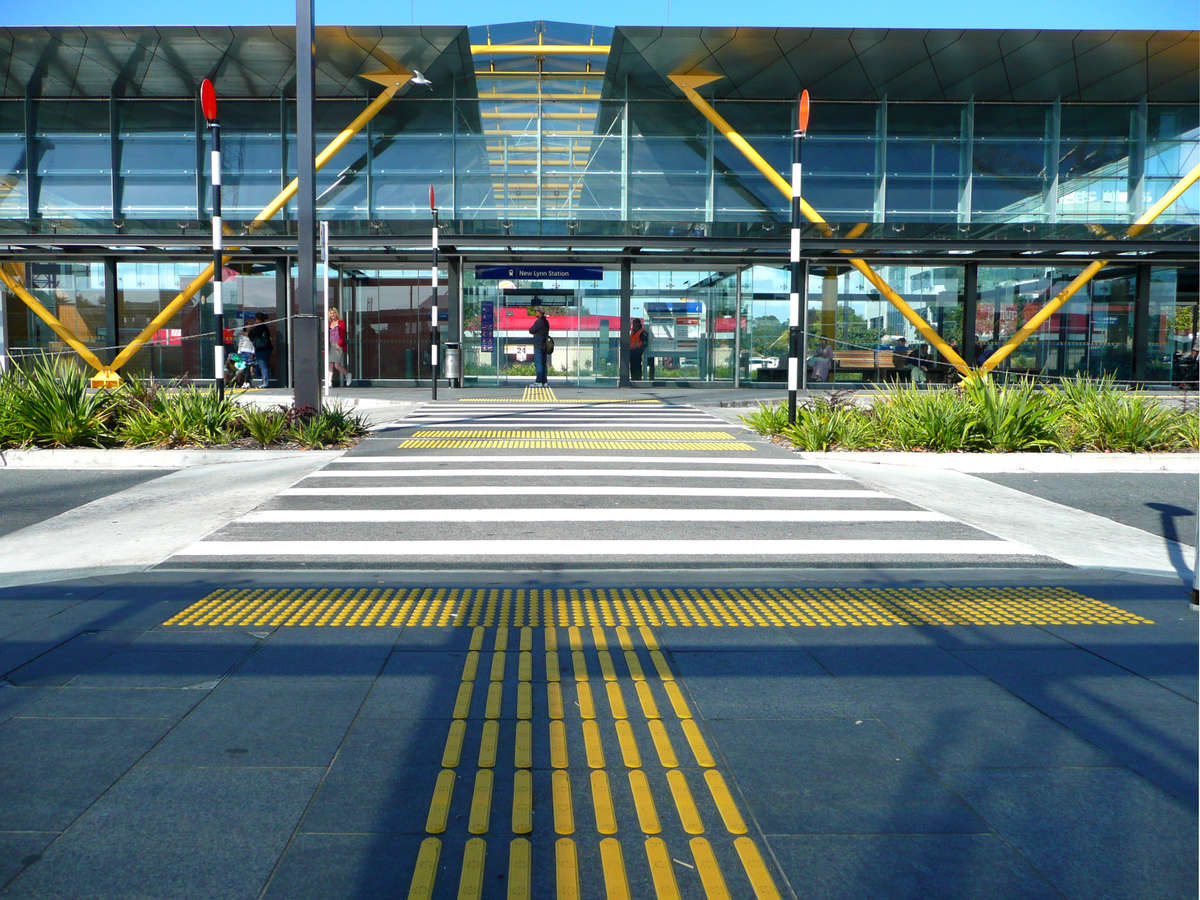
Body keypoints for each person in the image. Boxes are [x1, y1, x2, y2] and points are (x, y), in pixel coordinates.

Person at [327, 307, 350, 387]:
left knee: (336, 365)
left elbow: (342, 334)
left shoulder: (341, 322)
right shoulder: (329, 324)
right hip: (331, 345)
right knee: (330, 364)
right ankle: (329, 382)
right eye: (331, 313)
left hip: (338, 345)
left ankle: (347, 375)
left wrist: (339, 345)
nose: (332, 314)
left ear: (336, 313)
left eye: (333, 313)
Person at [248, 312, 272, 388]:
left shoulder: (259, 327)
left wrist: (249, 331)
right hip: (266, 349)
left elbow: (252, 336)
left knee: (263, 366)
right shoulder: (264, 327)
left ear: (258, 319)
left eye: (255, 319)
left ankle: (265, 383)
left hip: (261, 349)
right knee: (263, 365)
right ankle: (264, 381)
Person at [528, 309, 550, 386]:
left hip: (538, 345)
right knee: (543, 363)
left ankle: (539, 382)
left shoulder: (539, 321)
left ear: (540, 313)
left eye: (536, 311)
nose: (535, 312)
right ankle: (544, 381)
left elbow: (531, 330)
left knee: (538, 363)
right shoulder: (546, 322)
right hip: (545, 346)